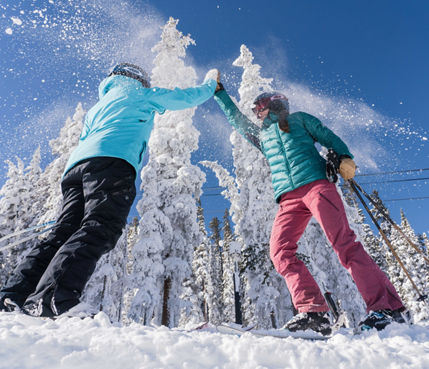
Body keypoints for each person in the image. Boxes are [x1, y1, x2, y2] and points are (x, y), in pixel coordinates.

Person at [0, 63, 219, 318]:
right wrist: (211, 85)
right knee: (101, 225)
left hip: (75, 170)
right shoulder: (140, 94)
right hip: (112, 163)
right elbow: (184, 98)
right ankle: (53, 299)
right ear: (138, 79)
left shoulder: (98, 107)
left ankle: (12, 296)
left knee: (64, 231)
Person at [213, 78, 406, 334]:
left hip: (317, 186)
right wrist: (220, 94)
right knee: (280, 252)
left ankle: (386, 308)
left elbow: (328, 136)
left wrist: (345, 157)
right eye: (254, 109)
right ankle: (314, 313)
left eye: (259, 106)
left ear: (274, 103)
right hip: (288, 199)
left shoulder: (300, 120)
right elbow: (237, 121)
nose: (255, 112)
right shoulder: (261, 136)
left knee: (343, 244)